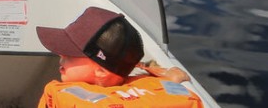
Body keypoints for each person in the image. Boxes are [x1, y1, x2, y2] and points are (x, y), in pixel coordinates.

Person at [35, 7, 203, 108]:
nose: (61, 55)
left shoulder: (63, 99)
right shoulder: (154, 87)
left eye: (70, 54)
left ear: (100, 70)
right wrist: (170, 80)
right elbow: (155, 90)